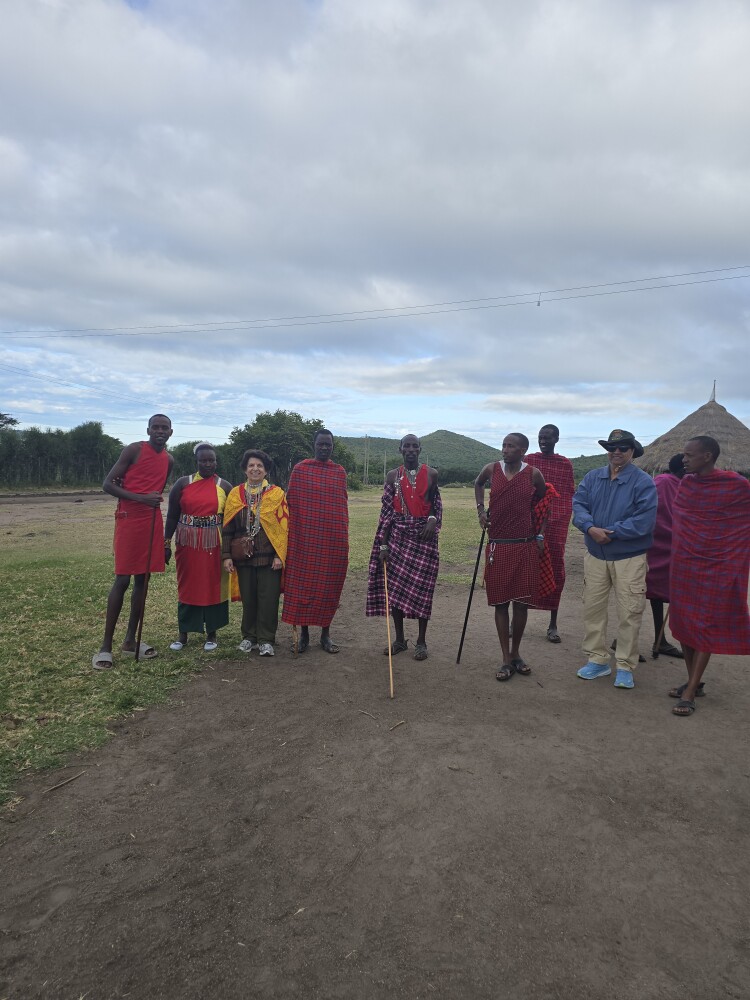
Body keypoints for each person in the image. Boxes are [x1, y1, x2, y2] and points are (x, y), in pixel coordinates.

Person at [668, 436, 750, 717]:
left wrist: (735, 551)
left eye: (689, 455)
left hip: (717, 565)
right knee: (684, 622)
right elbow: (681, 520)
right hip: (685, 563)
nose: (684, 460)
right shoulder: (687, 484)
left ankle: (690, 691)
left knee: (705, 625)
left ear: (707, 456)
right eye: (683, 454)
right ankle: (694, 680)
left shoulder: (736, 485)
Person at [572, 429, 657, 689]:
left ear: (633, 451)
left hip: (629, 557)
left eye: (623, 448)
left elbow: (644, 520)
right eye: (612, 448)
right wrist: (590, 528)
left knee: (629, 611)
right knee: (593, 608)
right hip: (595, 554)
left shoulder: (643, 482)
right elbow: (579, 505)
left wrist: (610, 532)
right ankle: (597, 659)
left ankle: (625, 665)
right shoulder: (592, 477)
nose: (616, 452)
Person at [93, 414, 174, 670]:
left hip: (152, 520)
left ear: (171, 432)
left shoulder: (169, 460)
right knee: (122, 579)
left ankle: (130, 641)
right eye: (155, 427)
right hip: (129, 518)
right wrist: (139, 497)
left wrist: (147, 499)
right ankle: (105, 647)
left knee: (143, 579)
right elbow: (108, 484)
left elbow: (156, 489)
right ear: (148, 430)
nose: (160, 431)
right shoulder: (134, 450)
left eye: (164, 428)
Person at [474, 433, 554, 681]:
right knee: (500, 603)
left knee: (520, 604)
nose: (505, 450)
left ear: (523, 451)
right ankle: (505, 659)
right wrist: (480, 511)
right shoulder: (491, 469)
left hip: (524, 546)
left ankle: (516, 652)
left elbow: (545, 502)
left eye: (511, 446)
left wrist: (539, 533)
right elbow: (478, 484)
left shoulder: (533, 474)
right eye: (504, 445)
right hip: (498, 545)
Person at [366, 434, 442, 661]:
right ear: (400, 449)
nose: (410, 449)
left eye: (414, 446)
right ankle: (399, 639)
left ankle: (421, 641)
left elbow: (435, 505)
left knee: (423, 591)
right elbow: (387, 513)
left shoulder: (432, 474)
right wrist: (383, 545)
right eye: (406, 446)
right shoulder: (392, 476)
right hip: (398, 537)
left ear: (420, 449)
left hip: (424, 538)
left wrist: (432, 520)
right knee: (396, 590)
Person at [282, 429, 349, 654]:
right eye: (321, 444)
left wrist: (341, 537)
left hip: (331, 540)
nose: (324, 447)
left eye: (328, 444)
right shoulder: (300, 470)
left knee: (328, 586)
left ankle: (325, 634)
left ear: (332, 447)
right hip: (305, 539)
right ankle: (305, 634)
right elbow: (292, 503)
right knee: (304, 586)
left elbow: (341, 507)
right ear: (314, 445)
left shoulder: (339, 472)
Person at [163, 443, 233, 653]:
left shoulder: (224, 486)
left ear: (216, 462)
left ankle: (212, 633)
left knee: (213, 585)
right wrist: (166, 543)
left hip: (214, 543)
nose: (208, 464)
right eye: (203, 460)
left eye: (211, 460)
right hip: (188, 544)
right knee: (188, 585)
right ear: (196, 462)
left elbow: (231, 521)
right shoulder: (182, 484)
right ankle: (183, 633)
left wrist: (230, 551)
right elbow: (172, 515)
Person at [222, 450, 289, 657]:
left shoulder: (277, 494)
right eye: (251, 465)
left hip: (269, 559)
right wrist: (226, 555)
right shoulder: (235, 494)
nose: (255, 469)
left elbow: (283, 527)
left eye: (260, 466)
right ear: (245, 469)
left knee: (268, 600)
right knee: (249, 599)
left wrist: (279, 555)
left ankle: (266, 640)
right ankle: (249, 637)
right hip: (243, 558)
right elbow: (227, 528)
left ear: (266, 470)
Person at [525, 424, 576, 643]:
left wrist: (555, 517)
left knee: (555, 567)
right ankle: (517, 619)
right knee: (526, 567)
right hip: (529, 521)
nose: (543, 441)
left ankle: (553, 624)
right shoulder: (529, 460)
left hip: (556, 524)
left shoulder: (564, 464)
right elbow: (523, 490)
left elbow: (567, 495)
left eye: (547, 437)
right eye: (540, 437)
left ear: (557, 439)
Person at [645, 453, 685, 658]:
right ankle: (627, 640)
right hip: (657, 544)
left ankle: (660, 640)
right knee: (647, 592)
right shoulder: (663, 482)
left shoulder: (682, 484)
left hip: (674, 545)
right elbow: (651, 511)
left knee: (659, 594)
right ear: (683, 469)